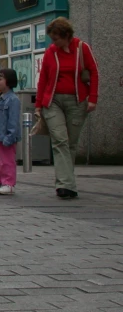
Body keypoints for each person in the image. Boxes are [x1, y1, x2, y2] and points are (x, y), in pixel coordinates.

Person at [36, 17, 99, 200]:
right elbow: (43, 80)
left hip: (77, 101)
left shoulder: (82, 48)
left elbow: (94, 71)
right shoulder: (50, 52)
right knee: (60, 140)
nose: (53, 42)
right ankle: (66, 185)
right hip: (53, 102)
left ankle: (65, 182)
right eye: (52, 39)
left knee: (70, 143)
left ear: (66, 36)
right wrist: (39, 105)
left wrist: (93, 98)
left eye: (56, 38)